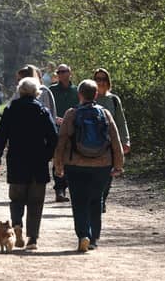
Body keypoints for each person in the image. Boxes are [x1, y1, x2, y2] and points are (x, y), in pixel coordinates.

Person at [53, 79, 124, 252]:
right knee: (96, 200)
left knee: (79, 201)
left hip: (75, 164)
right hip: (102, 165)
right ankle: (94, 239)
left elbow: (61, 140)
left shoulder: (71, 114)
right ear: (96, 94)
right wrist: (118, 164)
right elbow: (115, 141)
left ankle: (83, 235)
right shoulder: (105, 113)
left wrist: (58, 165)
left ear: (80, 95)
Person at [0, 77, 58, 250]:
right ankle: (33, 239)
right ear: (37, 93)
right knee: (36, 202)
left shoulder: (10, 110)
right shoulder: (43, 111)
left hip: (16, 162)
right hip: (38, 164)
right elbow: (53, 138)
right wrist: (47, 156)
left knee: (16, 199)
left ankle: (17, 225)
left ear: (20, 92)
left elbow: (0, 137)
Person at [93, 68, 130, 212]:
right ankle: (96, 200)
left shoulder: (114, 100)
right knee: (94, 174)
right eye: (98, 79)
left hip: (110, 144)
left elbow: (121, 122)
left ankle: (101, 201)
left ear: (108, 81)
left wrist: (125, 140)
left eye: (103, 79)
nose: (100, 82)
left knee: (108, 175)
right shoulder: (89, 97)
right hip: (91, 144)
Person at [49, 63, 78, 202]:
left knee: (71, 159)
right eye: (59, 72)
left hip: (73, 130)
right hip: (55, 129)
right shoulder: (51, 90)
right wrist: (54, 119)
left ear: (69, 72)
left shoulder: (77, 91)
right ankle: (59, 190)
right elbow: (45, 108)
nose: (61, 74)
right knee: (58, 158)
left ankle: (69, 188)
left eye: (63, 71)